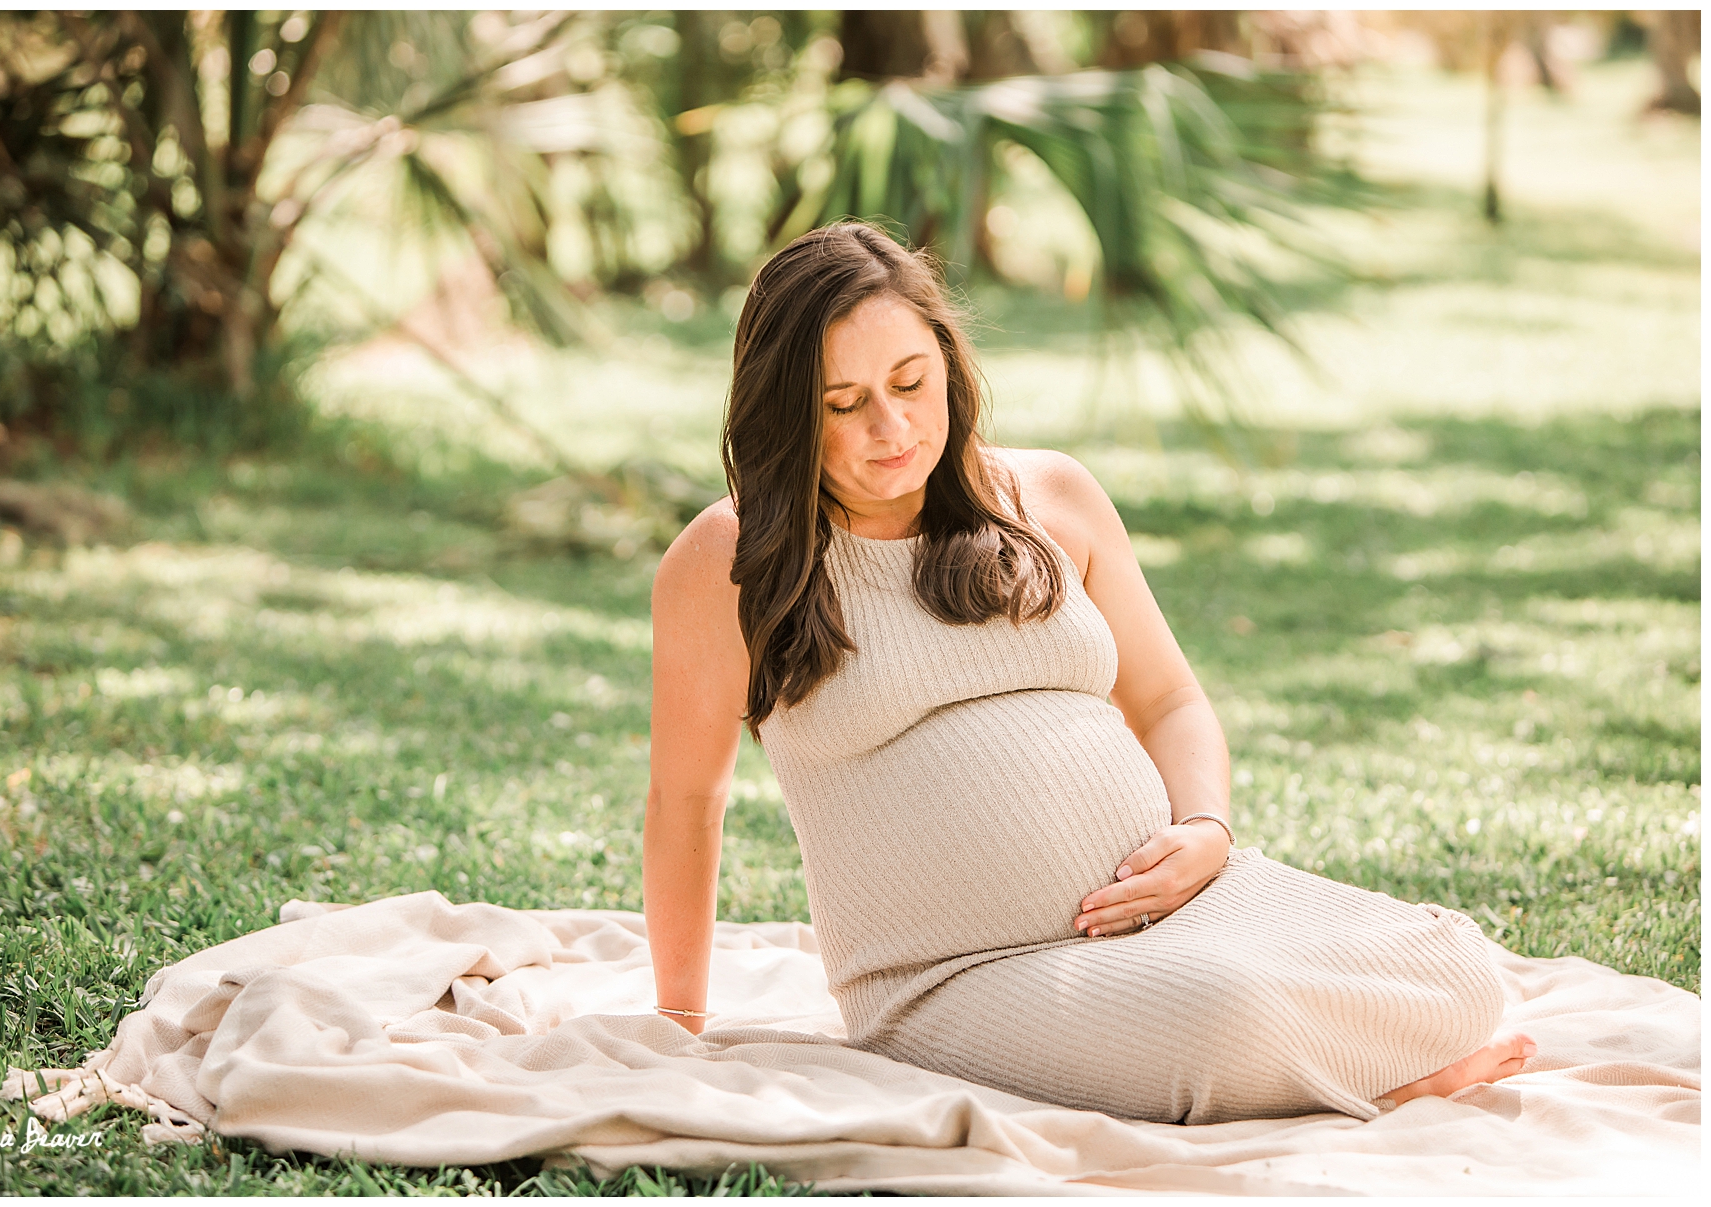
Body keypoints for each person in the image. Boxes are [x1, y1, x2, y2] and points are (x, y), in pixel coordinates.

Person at [643, 222, 1534, 1125]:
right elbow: (687, 802)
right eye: (844, 404)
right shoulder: (728, 565)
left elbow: (1171, 699)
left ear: (948, 362)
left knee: (1456, 970)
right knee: (1222, 1018)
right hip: (951, 982)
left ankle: (1307, 1063)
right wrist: (679, 1022)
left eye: (912, 382)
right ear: (788, 413)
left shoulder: (1049, 497)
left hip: (1182, 914)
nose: (893, 426)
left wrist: (1207, 831)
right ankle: (1364, 1079)